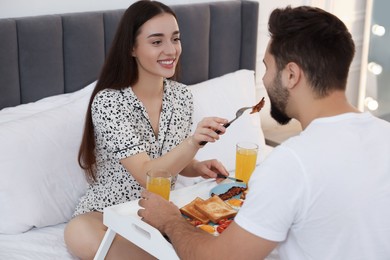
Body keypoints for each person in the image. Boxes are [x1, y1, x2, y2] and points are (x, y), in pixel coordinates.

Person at [138, 5, 390, 259]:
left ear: (291, 75)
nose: (266, 80)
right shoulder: (385, 134)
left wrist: (170, 220)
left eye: (268, 67)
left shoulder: (290, 164)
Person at [64, 1, 229, 259]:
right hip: (108, 215)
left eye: (175, 39)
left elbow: (168, 162)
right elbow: (146, 173)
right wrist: (193, 141)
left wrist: (195, 167)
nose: (171, 50)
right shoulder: (110, 102)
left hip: (162, 212)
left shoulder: (182, 96)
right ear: (132, 47)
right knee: (79, 231)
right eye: (156, 42)